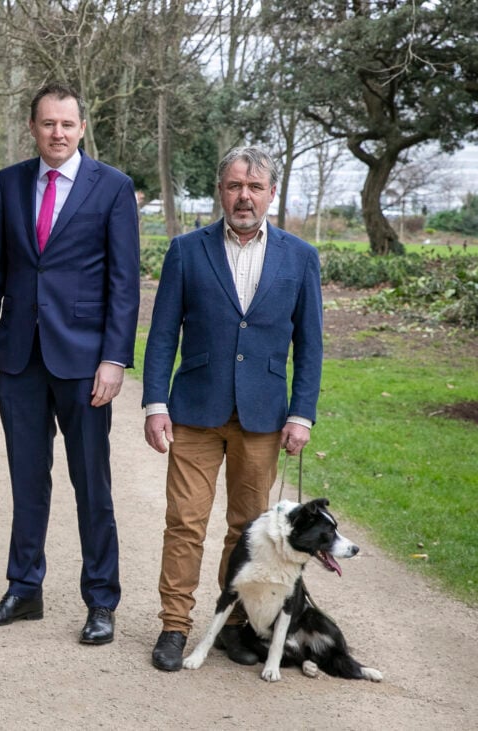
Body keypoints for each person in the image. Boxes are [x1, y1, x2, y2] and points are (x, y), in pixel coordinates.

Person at [0, 82, 141, 645]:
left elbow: (123, 284)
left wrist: (115, 359)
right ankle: (25, 589)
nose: (58, 133)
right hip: (19, 356)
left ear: (82, 127)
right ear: (33, 127)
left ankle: (101, 600)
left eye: (67, 124)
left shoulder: (112, 187)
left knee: (92, 482)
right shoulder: (11, 183)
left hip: (86, 360)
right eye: (48, 124)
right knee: (26, 479)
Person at [142, 145, 323, 671]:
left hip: (263, 416)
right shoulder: (185, 250)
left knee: (248, 528)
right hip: (195, 410)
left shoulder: (299, 257)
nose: (244, 196)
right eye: (234, 186)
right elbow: (161, 336)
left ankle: (234, 626)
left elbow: (309, 345)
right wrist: (155, 403)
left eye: (255, 187)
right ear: (220, 190)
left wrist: (301, 413)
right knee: (185, 522)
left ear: (271, 193)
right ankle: (174, 626)